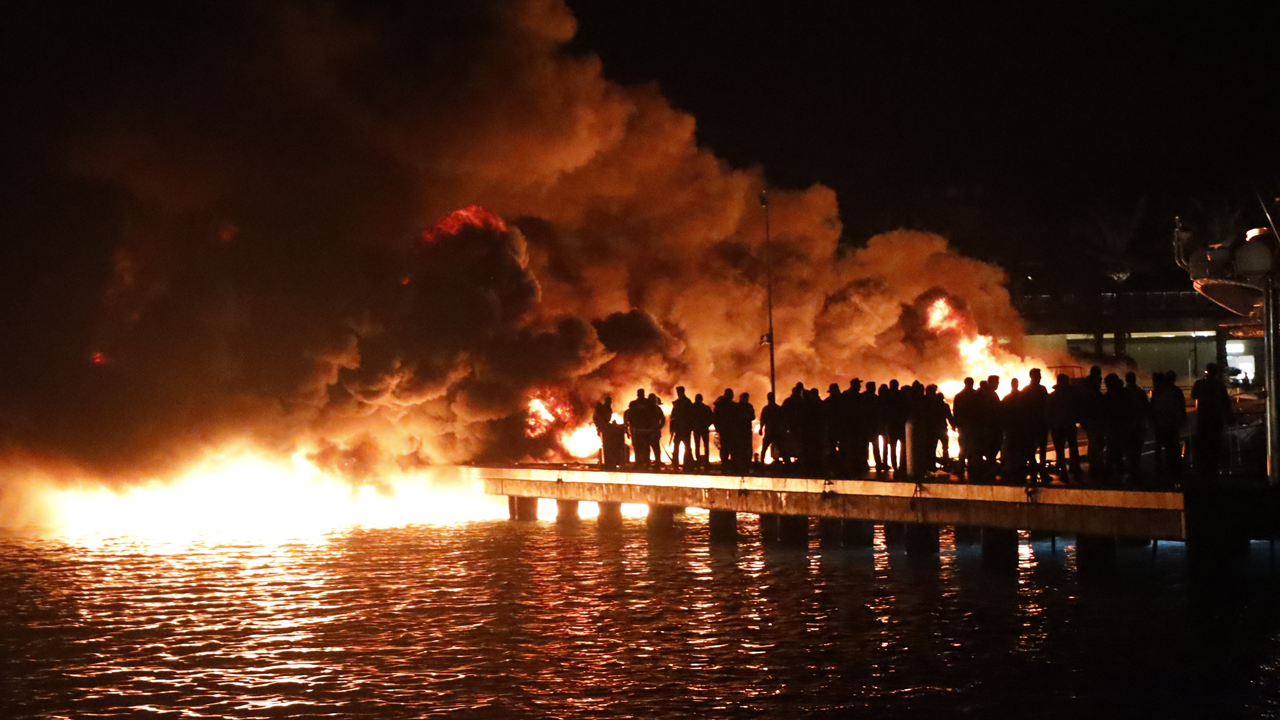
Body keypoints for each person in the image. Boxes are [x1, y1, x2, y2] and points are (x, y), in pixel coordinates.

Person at [1191, 363, 1231, 478]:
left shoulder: (1200, 383)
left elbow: (1193, 395)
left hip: (1203, 416)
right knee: (1215, 442)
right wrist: (1229, 416)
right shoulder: (1220, 385)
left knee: (1203, 440)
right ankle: (1214, 465)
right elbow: (1225, 401)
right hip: (1216, 417)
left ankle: (1202, 466)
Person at [1150, 370, 1187, 483]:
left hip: (1161, 422)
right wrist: (1182, 419)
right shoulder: (1176, 391)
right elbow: (1181, 406)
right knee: (1172, 445)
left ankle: (1161, 467)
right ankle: (1173, 467)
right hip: (1172, 422)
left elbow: (1153, 407)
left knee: (1160, 445)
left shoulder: (1158, 391)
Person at [1046, 373, 1081, 479]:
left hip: (1057, 427)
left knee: (1060, 450)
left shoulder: (1052, 396)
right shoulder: (1072, 396)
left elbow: (1048, 413)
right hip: (1069, 425)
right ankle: (1074, 467)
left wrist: (1051, 425)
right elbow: (1077, 409)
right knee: (1073, 447)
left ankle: (1063, 471)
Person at [1023, 369, 1050, 479]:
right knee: (1040, 448)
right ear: (1033, 377)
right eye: (1038, 375)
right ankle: (1041, 471)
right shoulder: (1042, 390)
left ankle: (1033, 471)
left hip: (1032, 423)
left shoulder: (1026, 390)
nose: (1040, 377)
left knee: (1032, 448)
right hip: (1039, 422)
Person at [1123, 371, 1150, 478]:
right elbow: (1146, 407)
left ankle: (1130, 468)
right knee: (1137, 447)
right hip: (1139, 423)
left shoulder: (1123, 392)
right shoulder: (1140, 392)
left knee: (1128, 447)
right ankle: (1136, 467)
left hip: (1127, 424)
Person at [952, 377, 979, 478]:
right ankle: (972, 467)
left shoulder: (959, 396)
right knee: (973, 447)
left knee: (963, 447)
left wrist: (955, 424)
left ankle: (961, 467)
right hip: (973, 425)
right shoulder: (976, 395)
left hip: (963, 426)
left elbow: (955, 411)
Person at [670, 386, 695, 468]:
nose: (678, 394)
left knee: (681, 446)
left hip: (682, 428)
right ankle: (686, 463)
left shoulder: (681, 403)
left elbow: (674, 416)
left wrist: (672, 427)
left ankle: (681, 463)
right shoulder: (687, 402)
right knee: (684, 446)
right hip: (683, 428)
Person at [759, 392, 786, 465]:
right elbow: (783, 419)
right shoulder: (778, 408)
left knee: (764, 448)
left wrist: (761, 428)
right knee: (781, 448)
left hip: (770, 431)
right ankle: (787, 463)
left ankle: (762, 463)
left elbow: (763, 419)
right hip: (776, 431)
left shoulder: (766, 409)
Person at [713, 388, 737, 468]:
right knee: (732, 447)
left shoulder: (719, 405)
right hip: (731, 429)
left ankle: (725, 464)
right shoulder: (732, 406)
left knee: (724, 447)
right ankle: (732, 465)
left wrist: (717, 427)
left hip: (723, 429)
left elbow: (715, 417)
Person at [691, 393, 714, 466]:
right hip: (703, 429)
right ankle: (706, 460)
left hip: (697, 429)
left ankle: (698, 460)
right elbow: (712, 418)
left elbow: (689, 418)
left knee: (697, 445)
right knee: (705, 445)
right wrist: (707, 425)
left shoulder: (692, 408)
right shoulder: (706, 408)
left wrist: (693, 426)